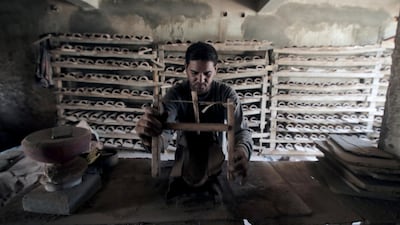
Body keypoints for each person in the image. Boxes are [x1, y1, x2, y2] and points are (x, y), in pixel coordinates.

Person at [135, 42, 253, 200]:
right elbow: (164, 131)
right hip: (185, 155)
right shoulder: (176, 94)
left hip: (214, 155)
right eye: (195, 73)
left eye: (207, 74)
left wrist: (241, 151)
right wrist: (150, 138)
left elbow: (241, 131)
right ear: (186, 69)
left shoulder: (226, 94)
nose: (201, 79)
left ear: (215, 70)